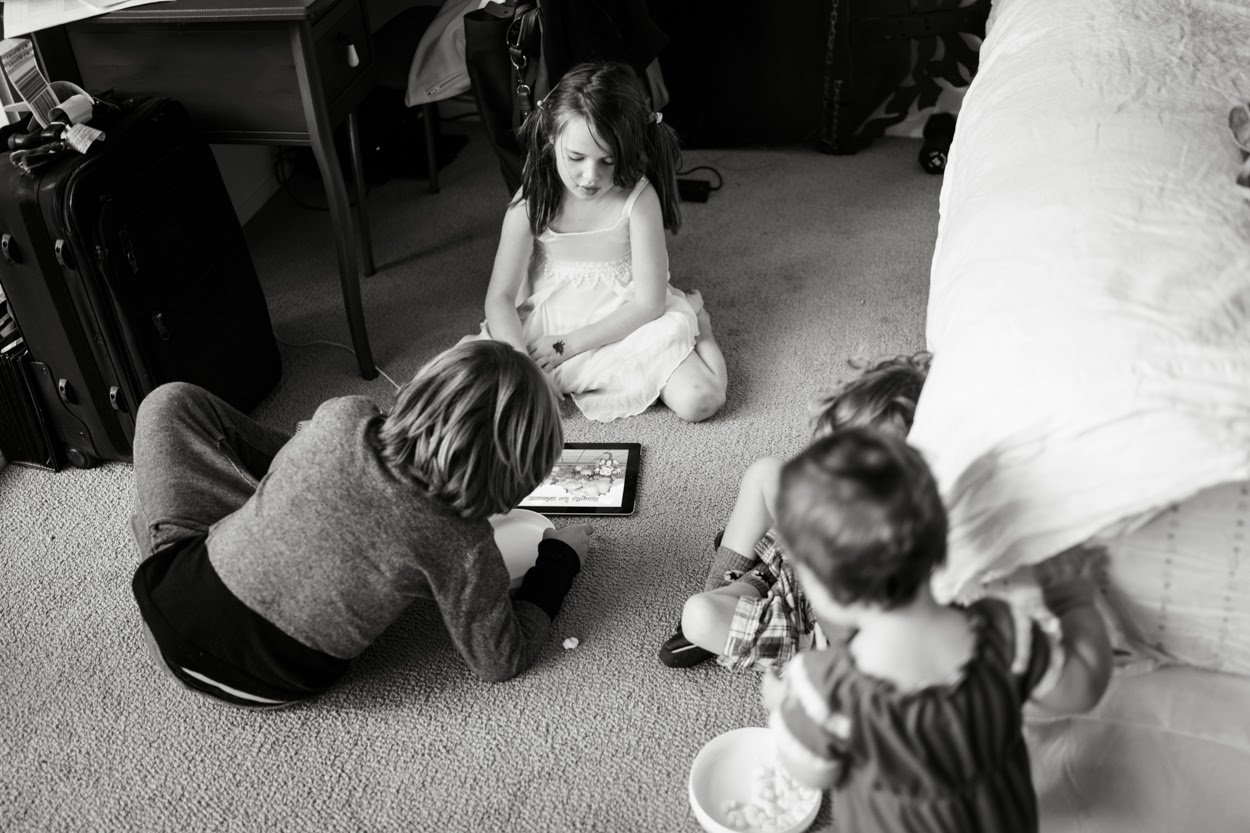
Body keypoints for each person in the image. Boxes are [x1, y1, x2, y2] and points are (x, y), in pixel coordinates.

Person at [129, 341, 592, 708]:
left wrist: (313, 475)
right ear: (514, 484)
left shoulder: (345, 414)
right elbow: (501, 659)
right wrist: (561, 560)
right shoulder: (467, 545)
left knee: (170, 403)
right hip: (271, 683)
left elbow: (290, 457)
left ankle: (267, 515)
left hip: (170, 600)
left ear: (419, 391)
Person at [761, 429, 1113, 832]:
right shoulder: (1006, 634)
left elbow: (813, 774)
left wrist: (784, 710)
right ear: (940, 538)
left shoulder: (824, 689)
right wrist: (1073, 602)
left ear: (827, 592)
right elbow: (1082, 687)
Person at [470, 60, 727, 423]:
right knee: (472, 397)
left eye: (608, 161)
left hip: (624, 319)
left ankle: (703, 331)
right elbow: (499, 298)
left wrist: (568, 345)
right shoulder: (531, 200)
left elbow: (649, 303)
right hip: (548, 320)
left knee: (701, 400)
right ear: (551, 138)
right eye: (576, 158)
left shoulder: (638, 199)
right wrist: (523, 365)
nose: (590, 177)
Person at [658, 353, 931, 669]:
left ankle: (728, 606)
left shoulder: (903, 545)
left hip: (810, 619)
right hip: (796, 557)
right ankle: (736, 584)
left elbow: (841, 629)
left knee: (700, 615)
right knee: (766, 471)